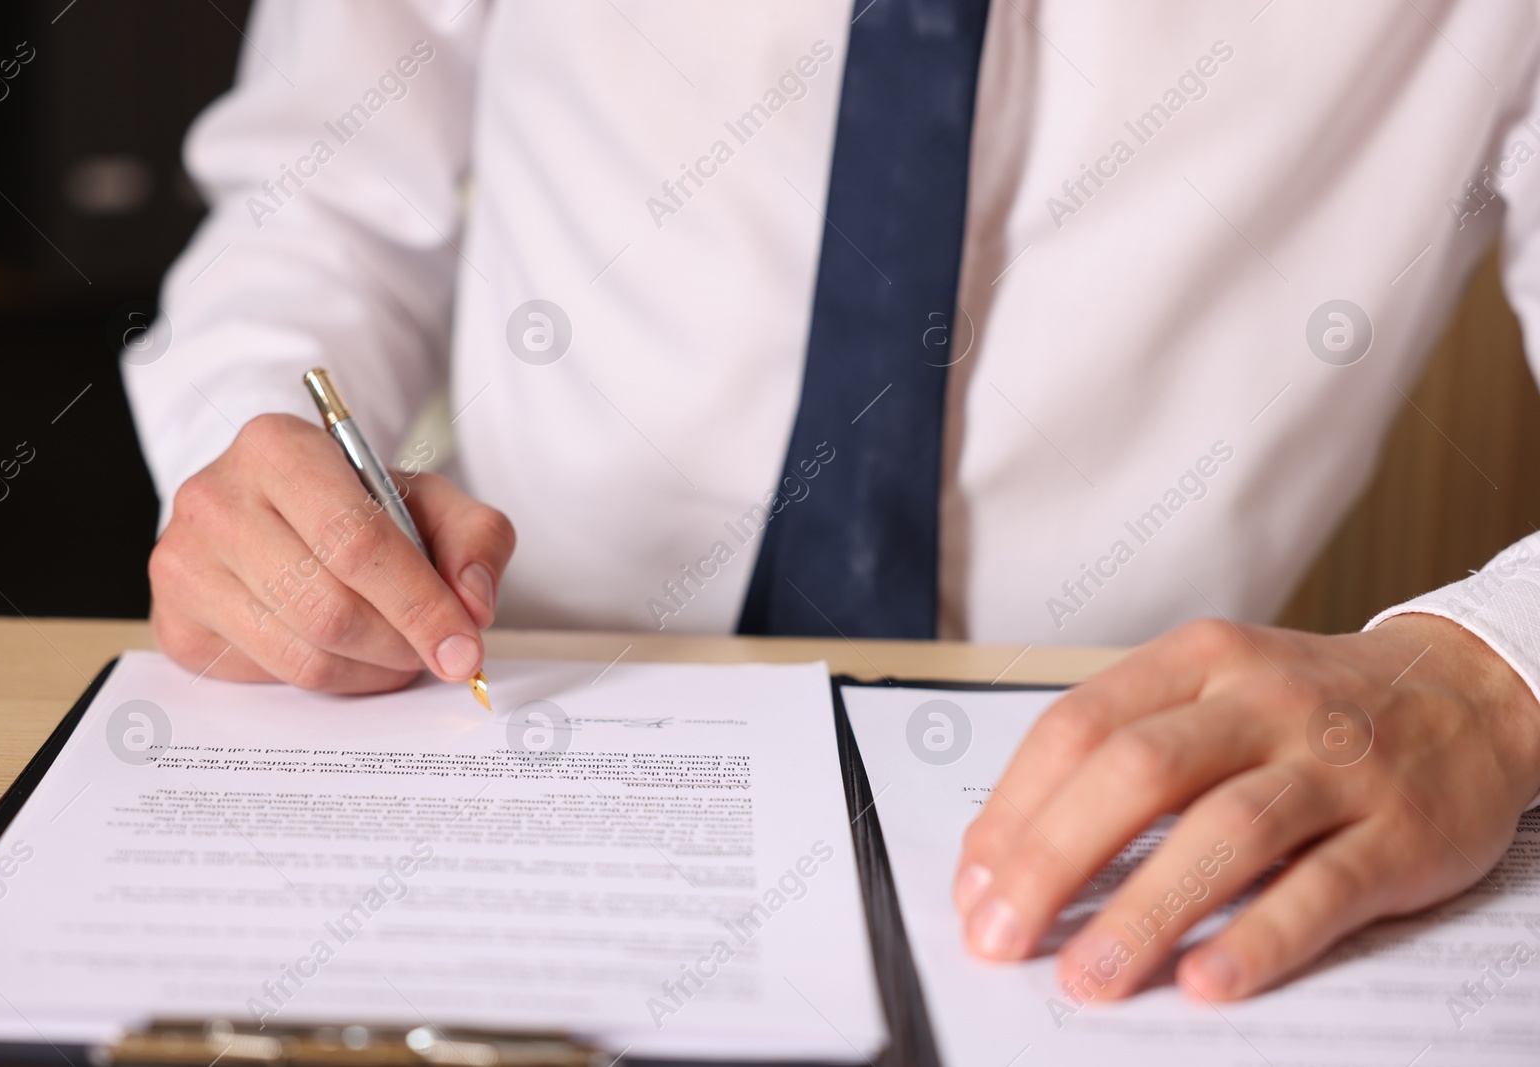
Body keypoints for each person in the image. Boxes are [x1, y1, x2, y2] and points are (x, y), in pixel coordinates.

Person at [124, 1, 1540, 1008]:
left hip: (1124, 829)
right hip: (510, 723)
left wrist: (1499, 679)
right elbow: (308, 211)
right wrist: (251, 440)